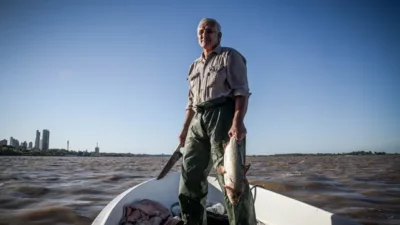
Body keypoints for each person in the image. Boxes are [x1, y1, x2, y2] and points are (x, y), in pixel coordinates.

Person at [177, 18, 257, 225]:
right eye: (201, 31)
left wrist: (237, 121)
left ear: (219, 35)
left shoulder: (230, 56)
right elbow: (191, 103)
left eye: (209, 31)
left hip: (223, 116)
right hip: (198, 120)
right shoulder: (193, 66)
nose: (204, 34)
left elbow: (241, 92)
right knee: (190, 176)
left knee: (231, 179)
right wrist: (184, 129)